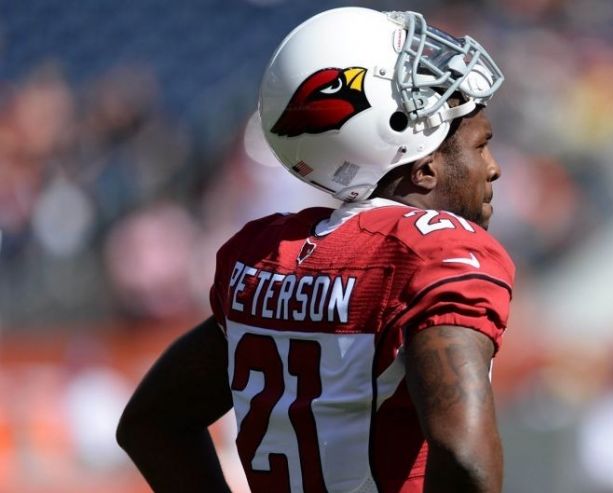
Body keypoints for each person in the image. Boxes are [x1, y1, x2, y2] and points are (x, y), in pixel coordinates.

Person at [116, 7, 514, 493]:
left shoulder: (267, 257)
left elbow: (151, 424)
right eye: (480, 146)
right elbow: (463, 457)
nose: (492, 168)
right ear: (424, 167)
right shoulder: (433, 251)